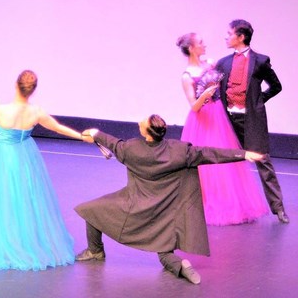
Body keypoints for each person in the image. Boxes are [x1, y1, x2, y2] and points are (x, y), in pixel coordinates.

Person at [74, 114, 264, 284]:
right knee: (164, 251)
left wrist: (96, 133)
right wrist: (243, 154)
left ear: (147, 134)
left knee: (91, 210)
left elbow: (114, 143)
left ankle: (95, 251)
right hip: (164, 211)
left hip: (133, 205)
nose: (140, 121)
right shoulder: (178, 151)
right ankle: (180, 265)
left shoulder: (132, 149)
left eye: (143, 122)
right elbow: (209, 153)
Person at [0, 70, 82, 271]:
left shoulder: (1, 110)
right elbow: (58, 128)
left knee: (2, 198)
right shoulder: (36, 112)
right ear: (33, 90)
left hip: (3, 157)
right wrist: (81, 136)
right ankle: (26, 240)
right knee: (26, 198)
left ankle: (0, 247)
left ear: (15, 85)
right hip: (25, 156)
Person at [176, 32, 268, 225]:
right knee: (205, 163)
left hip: (218, 116)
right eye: (200, 42)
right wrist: (205, 95)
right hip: (202, 120)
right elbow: (193, 105)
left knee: (226, 160)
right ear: (192, 48)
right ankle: (206, 202)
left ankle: (231, 203)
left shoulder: (209, 65)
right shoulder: (187, 76)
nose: (204, 45)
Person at [215, 19, 288, 224]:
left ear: (241, 37)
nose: (225, 37)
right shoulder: (224, 62)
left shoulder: (261, 61)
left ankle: (278, 208)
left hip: (251, 119)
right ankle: (231, 207)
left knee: (262, 160)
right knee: (227, 161)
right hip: (229, 120)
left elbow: (276, 86)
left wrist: (257, 101)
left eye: (229, 33)